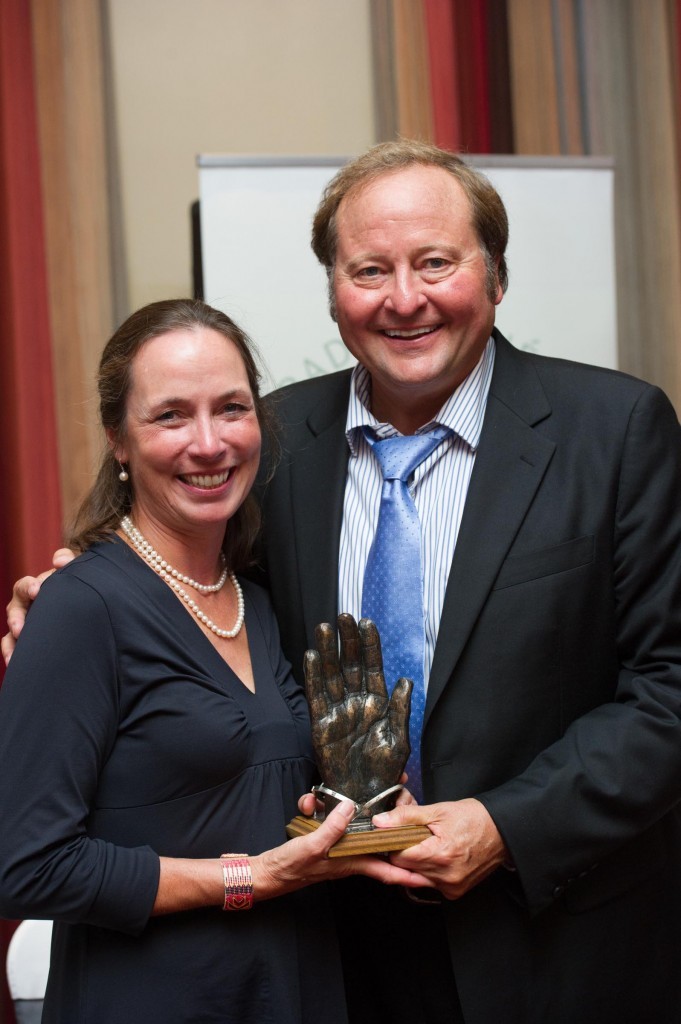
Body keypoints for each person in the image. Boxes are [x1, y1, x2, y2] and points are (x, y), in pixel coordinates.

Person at [5, 140, 681, 1023]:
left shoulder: (615, 429)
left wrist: (504, 826)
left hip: (552, 948)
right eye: (369, 269)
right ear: (332, 291)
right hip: (329, 952)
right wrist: (66, 599)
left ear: (495, 276)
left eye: (435, 262)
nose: (404, 299)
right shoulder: (272, 442)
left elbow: (666, 689)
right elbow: (185, 596)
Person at [0, 298, 427, 1024]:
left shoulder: (258, 598)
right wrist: (249, 880)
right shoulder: (80, 607)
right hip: (152, 1000)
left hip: (295, 986)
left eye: (230, 408)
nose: (208, 443)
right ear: (119, 440)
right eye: (170, 416)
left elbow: (249, 800)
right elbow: (24, 866)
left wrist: (364, 811)